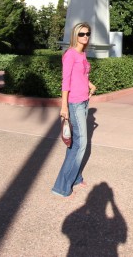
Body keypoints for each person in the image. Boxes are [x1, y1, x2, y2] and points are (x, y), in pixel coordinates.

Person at [52, 22, 97, 198]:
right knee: (81, 144)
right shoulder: (70, 54)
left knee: (74, 144)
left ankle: (76, 177)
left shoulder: (82, 54)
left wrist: (90, 85)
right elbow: (66, 81)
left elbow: (83, 75)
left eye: (88, 34)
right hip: (75, 103)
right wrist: (64, 106)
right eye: (82, 34)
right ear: (75, 35)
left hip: (84, 101)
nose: (85, 37)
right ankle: (62, 186)